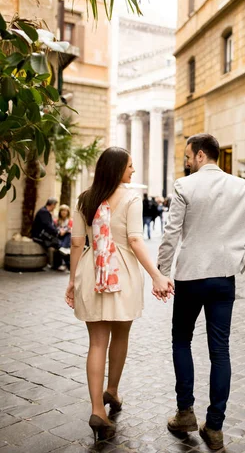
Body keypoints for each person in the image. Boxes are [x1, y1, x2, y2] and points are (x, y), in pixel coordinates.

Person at [157, 133, 245, 451]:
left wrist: (161, 272)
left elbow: (171, 234)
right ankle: (215, 427)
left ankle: (185, 413)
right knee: (219, 351)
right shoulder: (240, 186)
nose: (186, 161)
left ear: (200, 156)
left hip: (190, 276)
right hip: (225, 276)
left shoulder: (185, 187)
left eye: (187, 156)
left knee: (181, 340)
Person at [64, 147, 174, 443]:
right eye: (129, 166)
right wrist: (157, 274)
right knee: (120, 337)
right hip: (122, 274)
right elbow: (136, 240)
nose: (133, 171)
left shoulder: (85, 199)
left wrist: (73, 281)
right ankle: (111, 389)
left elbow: (76, 243)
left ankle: (99, 408)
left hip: (91, 273)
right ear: (116, 169)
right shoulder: (130, 198)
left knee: (96, 343)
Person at [31, 197, 64, 270]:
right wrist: (57, 232)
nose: (55, 207)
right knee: (58, 243)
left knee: (58, 241)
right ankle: (57, 265)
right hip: (38, 236)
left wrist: (57, 230)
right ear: (52, 204)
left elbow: (50, 225)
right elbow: (48, 225)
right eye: (55, 205)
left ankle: (55, 264)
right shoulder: (44, 212)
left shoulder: (45, 211)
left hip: (42, 234)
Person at [55, 205, 73, 270]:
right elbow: (55, 229)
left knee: (68, 235)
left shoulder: (70, 221)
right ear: (60, 212)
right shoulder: (56, 221)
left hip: (67, 238)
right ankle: (68, 265)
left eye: (65, 211)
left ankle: (63, 247)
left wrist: (65, 231)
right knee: (63, 248)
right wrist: (60, 231)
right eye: (62, 210)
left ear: (68, 212)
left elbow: (71, 230)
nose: (64, 212)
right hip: (59, 237)